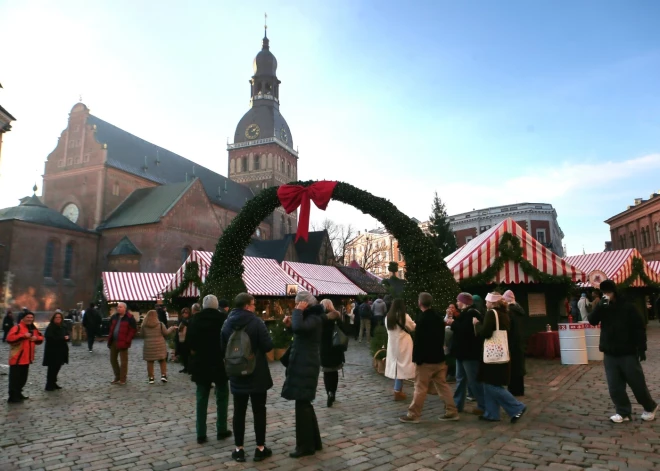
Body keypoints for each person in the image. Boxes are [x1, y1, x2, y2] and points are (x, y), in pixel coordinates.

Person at [588, 279, 657, 423]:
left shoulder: (628, 307)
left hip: (627, 352)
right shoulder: (603, 307)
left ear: (614, 292)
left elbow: (639, 328)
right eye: (604, 292)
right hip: (610, 352)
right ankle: (623, 412)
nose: (606, 295)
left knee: (637, 384)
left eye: (609, 292)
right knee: (615, 386)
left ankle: (650, 407)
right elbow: (592, 320)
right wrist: (600, 306)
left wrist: (641, 348)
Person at [221, 293, 274, 463]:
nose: (254, 307)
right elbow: (267, 346)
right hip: (256, 372)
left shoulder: (227, 323)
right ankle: (260, 448)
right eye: (253, 304)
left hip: (237, 372)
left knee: (239, 411)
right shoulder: (256, 322)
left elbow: (222, 347)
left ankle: (239, 449)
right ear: (246, 306)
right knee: (259, 410)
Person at [400, 292, 459, 423]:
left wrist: (417, 359)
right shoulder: (438, 317)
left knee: (420, 388)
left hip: (425, 360)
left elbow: (419, 342)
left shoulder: (421, 320)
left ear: (420, 303)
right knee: (443, 386)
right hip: (438, 357)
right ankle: (452, 411)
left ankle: (413, 414)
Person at [281, 291, 324, 458]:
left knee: (303, 406)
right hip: (303, 363)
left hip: (306, 365)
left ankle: (305, 446)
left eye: (297, 303)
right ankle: (314, 442)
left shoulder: (314, 318)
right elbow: (300, 332)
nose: (295, 306)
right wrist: (289, 325)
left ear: (304, 304)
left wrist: (297, 312)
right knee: (305, 404)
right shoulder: (312, 318)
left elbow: (300, 328)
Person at [473, 292, 527, 423]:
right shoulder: (505, 313)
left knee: (491, 385)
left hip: (492, 355)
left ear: (492, 303)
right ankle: (491, 413)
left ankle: (516, 406)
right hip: (502, 352)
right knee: (489, 383)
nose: (485, 303)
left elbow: (486, 332)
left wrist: (477, 324)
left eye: (487, 301)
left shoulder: (492, 313)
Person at [188, 295, 232, 444]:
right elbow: (227, 339)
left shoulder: (195, 319)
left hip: (201, 362)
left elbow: (190, 342)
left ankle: (201, 432)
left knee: (201, 397)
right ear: (216, 305)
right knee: (222, 395)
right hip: (218, 361)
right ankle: (221, 429)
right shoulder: (222, 319)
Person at [447, 292, 485, 414]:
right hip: (462, 353)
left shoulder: (472, 313)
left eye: (458, 301)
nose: (457, 303)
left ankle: (482, 405)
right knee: (460, 379)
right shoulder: (465, 314)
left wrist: (453, 323)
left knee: (473, 380)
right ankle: (457, 404)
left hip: (469, 353)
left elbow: (465, 331)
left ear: (464, 302)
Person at [7, 311, 43, 403]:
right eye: (28, 317)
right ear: (23, 318)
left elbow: (41, 337)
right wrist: (23, 336)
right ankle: (13, 397)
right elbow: (10, 338)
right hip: (17, 358)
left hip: (27, 358)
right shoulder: (17, 327)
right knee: (14, 379)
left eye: (31, 317)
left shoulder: (33, 328)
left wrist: (36, 338)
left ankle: (18, 393)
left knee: (23, 378)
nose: (30, 319)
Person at [384, 298, 416, 401]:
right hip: (404, 343)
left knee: (397, 366)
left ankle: (398, 389)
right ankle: (397, 390)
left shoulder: (388, 317)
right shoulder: (404, 316)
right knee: (403, 366)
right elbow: (412, 327)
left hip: (393, 344)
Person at [319, 299, 345, 407]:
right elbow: (344, 330)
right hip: (336, 347)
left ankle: (328, 392)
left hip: (324, 348)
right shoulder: (337, 317)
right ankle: (333, 393)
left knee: (327, 372)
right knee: (334, 372)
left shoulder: (320, 318)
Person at [140, 310, 177, 384]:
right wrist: (172, 328)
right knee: (162, 360)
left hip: (149, 345)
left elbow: (142, 335)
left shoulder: (144, 325)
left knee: (150, 361)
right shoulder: (160, 324)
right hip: (160, 344)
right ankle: (163, 375)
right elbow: (166, 333)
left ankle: (151, 378)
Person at [502, 290, 527, 397]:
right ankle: (519, 389)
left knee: (512, 367)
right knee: (519, 366)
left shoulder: (509, 311)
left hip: (512, 341)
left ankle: (513, 390)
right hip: (520, 340)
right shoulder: (519, 310)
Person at [107, 302, 137, 385]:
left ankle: (123, 378)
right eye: (118, 307)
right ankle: (117, 376)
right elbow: (111, 327)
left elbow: (133, 330)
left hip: (123, 341)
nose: (118, 308)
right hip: (114, 341)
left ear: (124, 308)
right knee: (113, 359)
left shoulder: (129, 318)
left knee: (124, 361)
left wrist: (128, 339)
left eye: (120, 307)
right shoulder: (114, 317)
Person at [43, 310, 70, 391]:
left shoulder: (63, 326)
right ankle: (49, 384)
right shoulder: (50, 327)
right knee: (52, 368)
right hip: (53, 351)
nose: (58, 319)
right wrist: (62, 338)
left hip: (62, 350)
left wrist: (67, 337)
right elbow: (50, 338)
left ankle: (53, 382)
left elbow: (67, 334)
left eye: (59, 317)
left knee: (57, 367)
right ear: (53, 318)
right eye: (56, 317)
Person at [176, 307, 191, 373]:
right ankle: (185, 367)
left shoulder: (190, 320)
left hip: (187, 339)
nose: (185, 314)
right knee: (183, 355)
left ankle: (189, 368)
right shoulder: (180, 320)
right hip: (181, 339)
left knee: (188, 355)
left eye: (186, 312)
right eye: (184, 312)